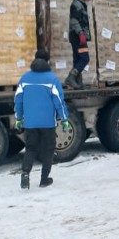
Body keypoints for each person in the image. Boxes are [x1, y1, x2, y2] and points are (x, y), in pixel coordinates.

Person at [14, 49, 71, 189]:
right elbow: (59, 102)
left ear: (34, 59)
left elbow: (18, 100)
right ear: (47, 61)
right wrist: (64, 119)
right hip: (48, 123)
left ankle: (25, 173)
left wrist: (19, 118)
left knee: (30, 148)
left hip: (30, 123)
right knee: (48, 149)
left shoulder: (24, 78)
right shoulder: (52, 79)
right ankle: (44, 179)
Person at [66, 0, 91, 89]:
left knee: (77, 59)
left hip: (76, 36)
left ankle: (78, 82)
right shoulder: (77, 4)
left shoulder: (80, 4)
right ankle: (71, 77)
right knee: (85, 58)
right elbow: (74, 20)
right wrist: (81, 33)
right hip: (78, 37)